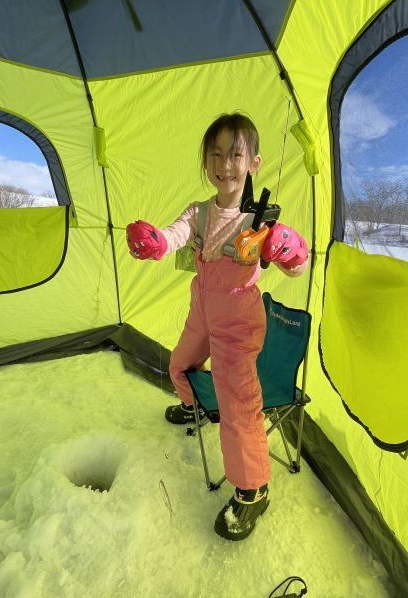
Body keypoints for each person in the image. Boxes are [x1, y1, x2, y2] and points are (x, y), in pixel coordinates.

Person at [125, 112, 309, 541]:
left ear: (254, 162)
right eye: (216, 154)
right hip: (202, 309)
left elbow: (297, 265)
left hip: (239, 320)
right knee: (179, 364)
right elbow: (175, 234)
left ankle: (253, 489)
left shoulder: (260, 222)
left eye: (236, 154)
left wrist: (289, 247)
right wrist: (156, 242)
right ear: (207, 162)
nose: (225, 164)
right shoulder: (199, 211)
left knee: (238, 402)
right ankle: (192, 406)